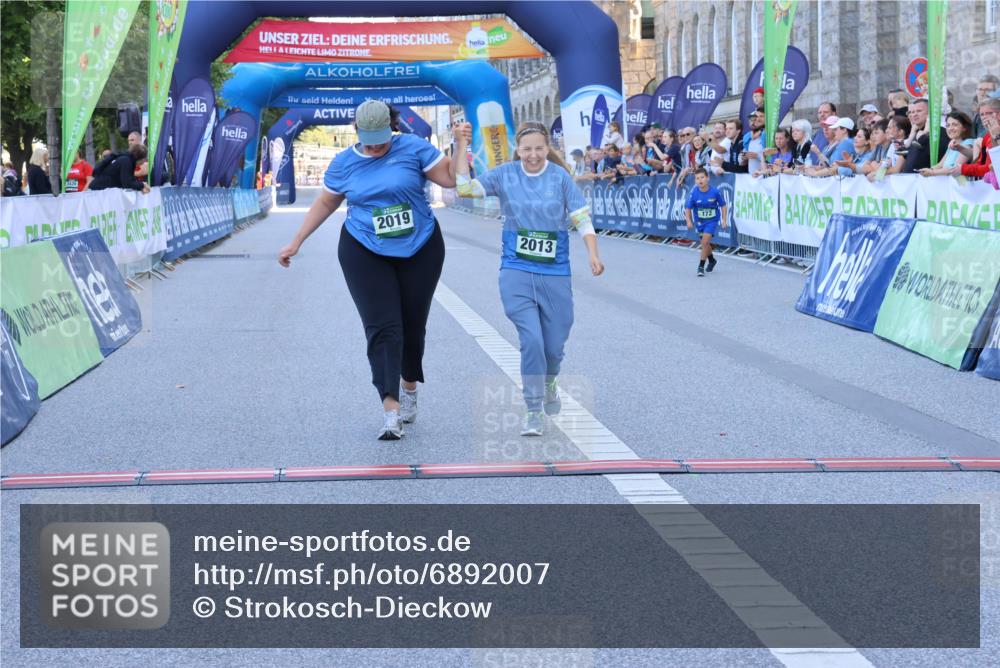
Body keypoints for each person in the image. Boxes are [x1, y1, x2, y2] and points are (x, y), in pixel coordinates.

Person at [278, 100, 461, 440]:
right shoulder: (344, 163)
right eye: (369, 140)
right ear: (357, 132)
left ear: (393, 128)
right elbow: (324, 204)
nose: (376, 147)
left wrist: (462, 145)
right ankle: (390, 409)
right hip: (364, 248)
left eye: (382, 139)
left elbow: (450, 180)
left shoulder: (414, 148)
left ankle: (408, 388)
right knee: (382, 326)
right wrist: (296, 241)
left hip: (420, 245)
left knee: (412, 326)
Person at [452, 120, 604, 436]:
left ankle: (550, 381)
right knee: (531, 341)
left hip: (555, 272)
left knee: (554, 346)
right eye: (526, 149)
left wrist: (592, 253)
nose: (532, 155)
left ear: (547, 148)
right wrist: (462, 145)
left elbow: (582, 219)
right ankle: (533, 409)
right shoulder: (505, 175)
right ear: (517, 150)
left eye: (538, 148)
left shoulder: (560, 177)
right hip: (516, 270)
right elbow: (465, 189)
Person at [685, 167, 728, 277]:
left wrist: (724, 220)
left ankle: (701, 266)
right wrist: (689, 221)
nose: (700, 180)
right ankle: (712, 260)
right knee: (705, 243)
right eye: (697, 178)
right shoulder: (694, 193)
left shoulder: (715, 192)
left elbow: (723, 205)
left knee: (704, 243)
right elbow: (688, 208)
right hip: (700, 222)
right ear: (695, 181)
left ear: (707, 178)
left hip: (712, 221)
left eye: (702, 177)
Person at [920, 111, 974, 176]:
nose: (950, 128)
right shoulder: (951, 144)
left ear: (964, 127)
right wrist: (928, 170)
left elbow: (955, 168)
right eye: (948, 125)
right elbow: (940, 165)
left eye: (955, 125)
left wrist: (932, 173)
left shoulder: (969, 143)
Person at [902, 98, 949, 173]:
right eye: (912, 112)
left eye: (919, 111)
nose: (914, 114)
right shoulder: (916, 132)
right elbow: (910, 156)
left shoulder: (939, 132)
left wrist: (923, 136)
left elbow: (940, 156)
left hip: (929, 179)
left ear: (929, 113)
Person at [958, 97, 1000, 181]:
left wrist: (963, 169)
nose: (984, 117)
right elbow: (981, 163)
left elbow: (993, 167)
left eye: (989, 113)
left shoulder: (993, 134)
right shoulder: (987, 136)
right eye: (982, 114)